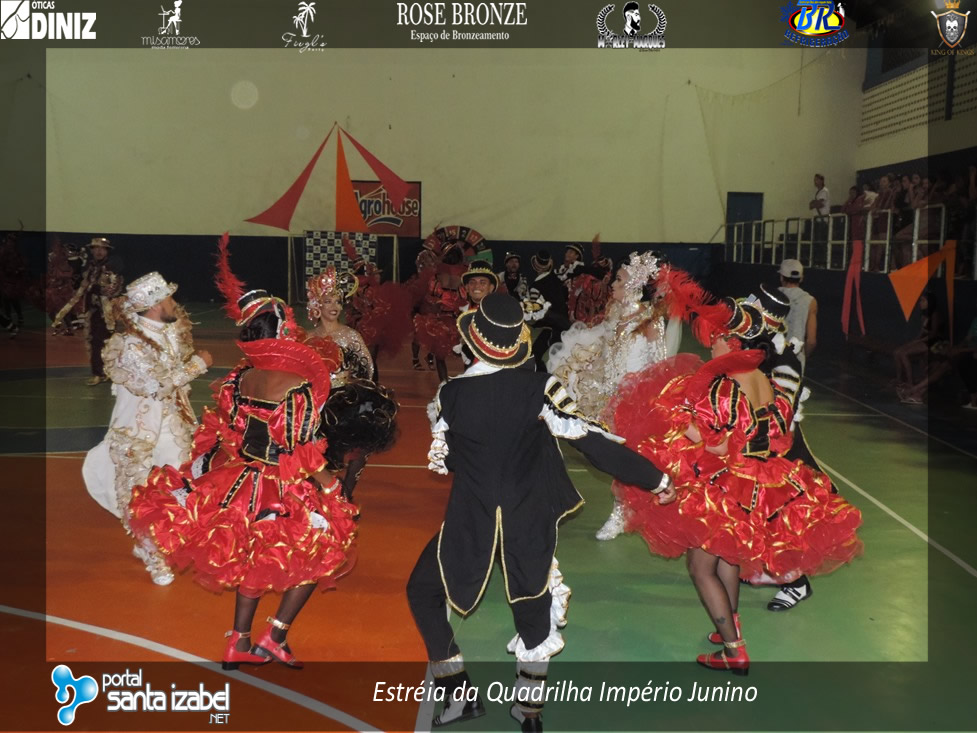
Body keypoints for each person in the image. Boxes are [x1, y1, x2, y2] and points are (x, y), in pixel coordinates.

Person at [407, 293, 669, 732]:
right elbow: (593, 445)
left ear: (473, 342)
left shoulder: (451, 395)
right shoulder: (540, 388)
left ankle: (458, 694)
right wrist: (655, 479)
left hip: (471, 521)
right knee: (533, 611)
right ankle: (529, 714)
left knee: (422, 590)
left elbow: (448, 460)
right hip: (526, 518)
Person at [608, 277, 863, 676]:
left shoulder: (724, 387)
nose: (712, 343)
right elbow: (775, 436)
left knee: (700, 568)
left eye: (719, 338)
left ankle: (734, 651)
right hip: (759, 483)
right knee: (727, 557)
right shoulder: (764, 380)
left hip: (728, 486)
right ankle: (730, 624)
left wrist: (681, 423)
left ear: (735, 343)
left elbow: (717, 447)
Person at [130, 238, 357, 671]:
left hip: (240, 480)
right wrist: (332, 486)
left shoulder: (242, 377)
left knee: (255, 556)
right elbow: (299, 448)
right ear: (282, 330)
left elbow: (228, 431)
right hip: (281, 485)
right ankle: (276, 636)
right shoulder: (296, 385)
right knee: (324, 550)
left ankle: (239, 640)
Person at [82, 272, 212, 585]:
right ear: (154, 306)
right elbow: (156, 386)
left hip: (173, 427)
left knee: (181, 487)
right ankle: (151, 552)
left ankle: (160, 539)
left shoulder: (171, 332)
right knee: (135, 494)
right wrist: (198, 365)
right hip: (137, 433)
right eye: (168, 298)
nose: (174, 303)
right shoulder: (129, 345)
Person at [547, 251, 682, 540]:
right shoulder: (615, 313)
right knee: (606, 451)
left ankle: (622, 512)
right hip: (607, 393)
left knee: (628, 455)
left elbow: (659, 365)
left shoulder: (650, 320)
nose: (613, 284)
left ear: (634, 284)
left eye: (619, 279)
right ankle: (623, 509)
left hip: (635, 400)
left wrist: (649, 400)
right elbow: (607, 351)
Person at [305, 266, 398, 503]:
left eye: (338, 301)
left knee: (360, 447)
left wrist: (355, 390)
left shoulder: (351, 336)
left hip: (346, 400)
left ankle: (346, 494)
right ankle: (320, 497)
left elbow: (368, 369)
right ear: (317, 305)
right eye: (328, 301)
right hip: (317, 402)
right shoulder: (307, 338)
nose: (335, 306)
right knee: (318, 452)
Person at [53, 237, 124, 385]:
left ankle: (111, 372)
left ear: (107, 251)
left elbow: (114, 289)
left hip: (109, 314)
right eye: (95, 248)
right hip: (93, 312)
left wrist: (98, 288)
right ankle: (99, 373)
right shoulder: (90, 268)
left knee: (111, 342)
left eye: (102, 249)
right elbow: (81, 290)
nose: (98, 251)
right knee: (94, 341)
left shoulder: (111, 268)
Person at [524, 251, 570, 371]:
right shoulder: (556, 278)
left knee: (535, 356)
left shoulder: (536, 286)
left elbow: (534, 312)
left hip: (550, 327)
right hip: (565, 324)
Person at [778, 259, 817, 373]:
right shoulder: (810, 301)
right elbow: (811, 341)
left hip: (772, 357)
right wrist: (803, 356)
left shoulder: (771, 296)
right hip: (795, 360)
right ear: (801, 278)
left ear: (781, 277)